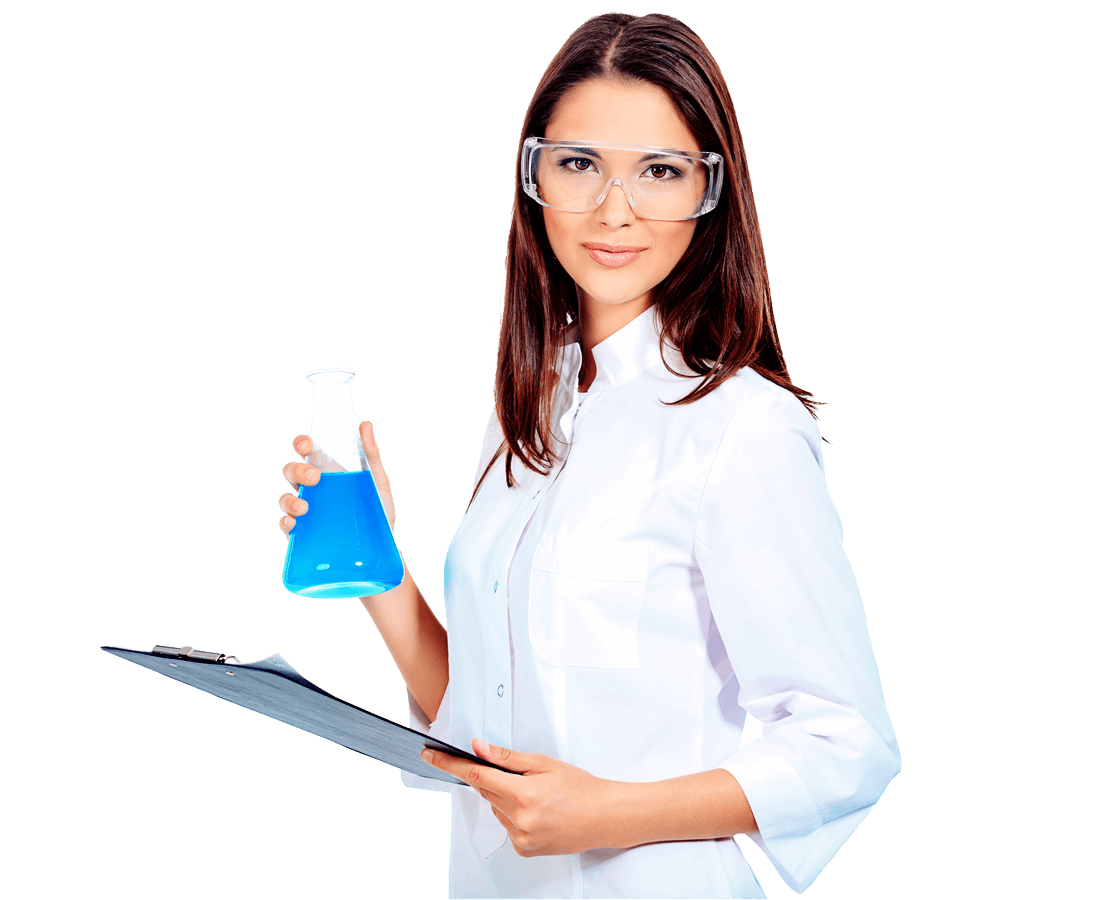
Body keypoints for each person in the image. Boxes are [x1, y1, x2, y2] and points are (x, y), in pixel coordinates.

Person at [278, 12, 900, 898]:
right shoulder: (531, 408)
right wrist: (375, 559)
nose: (614, 210)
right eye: (578, 165)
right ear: (533, 177)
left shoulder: (742, 426)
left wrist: (608, 814)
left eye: (659, 170)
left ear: (710, 190)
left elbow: (848, 746)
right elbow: (486, 719)